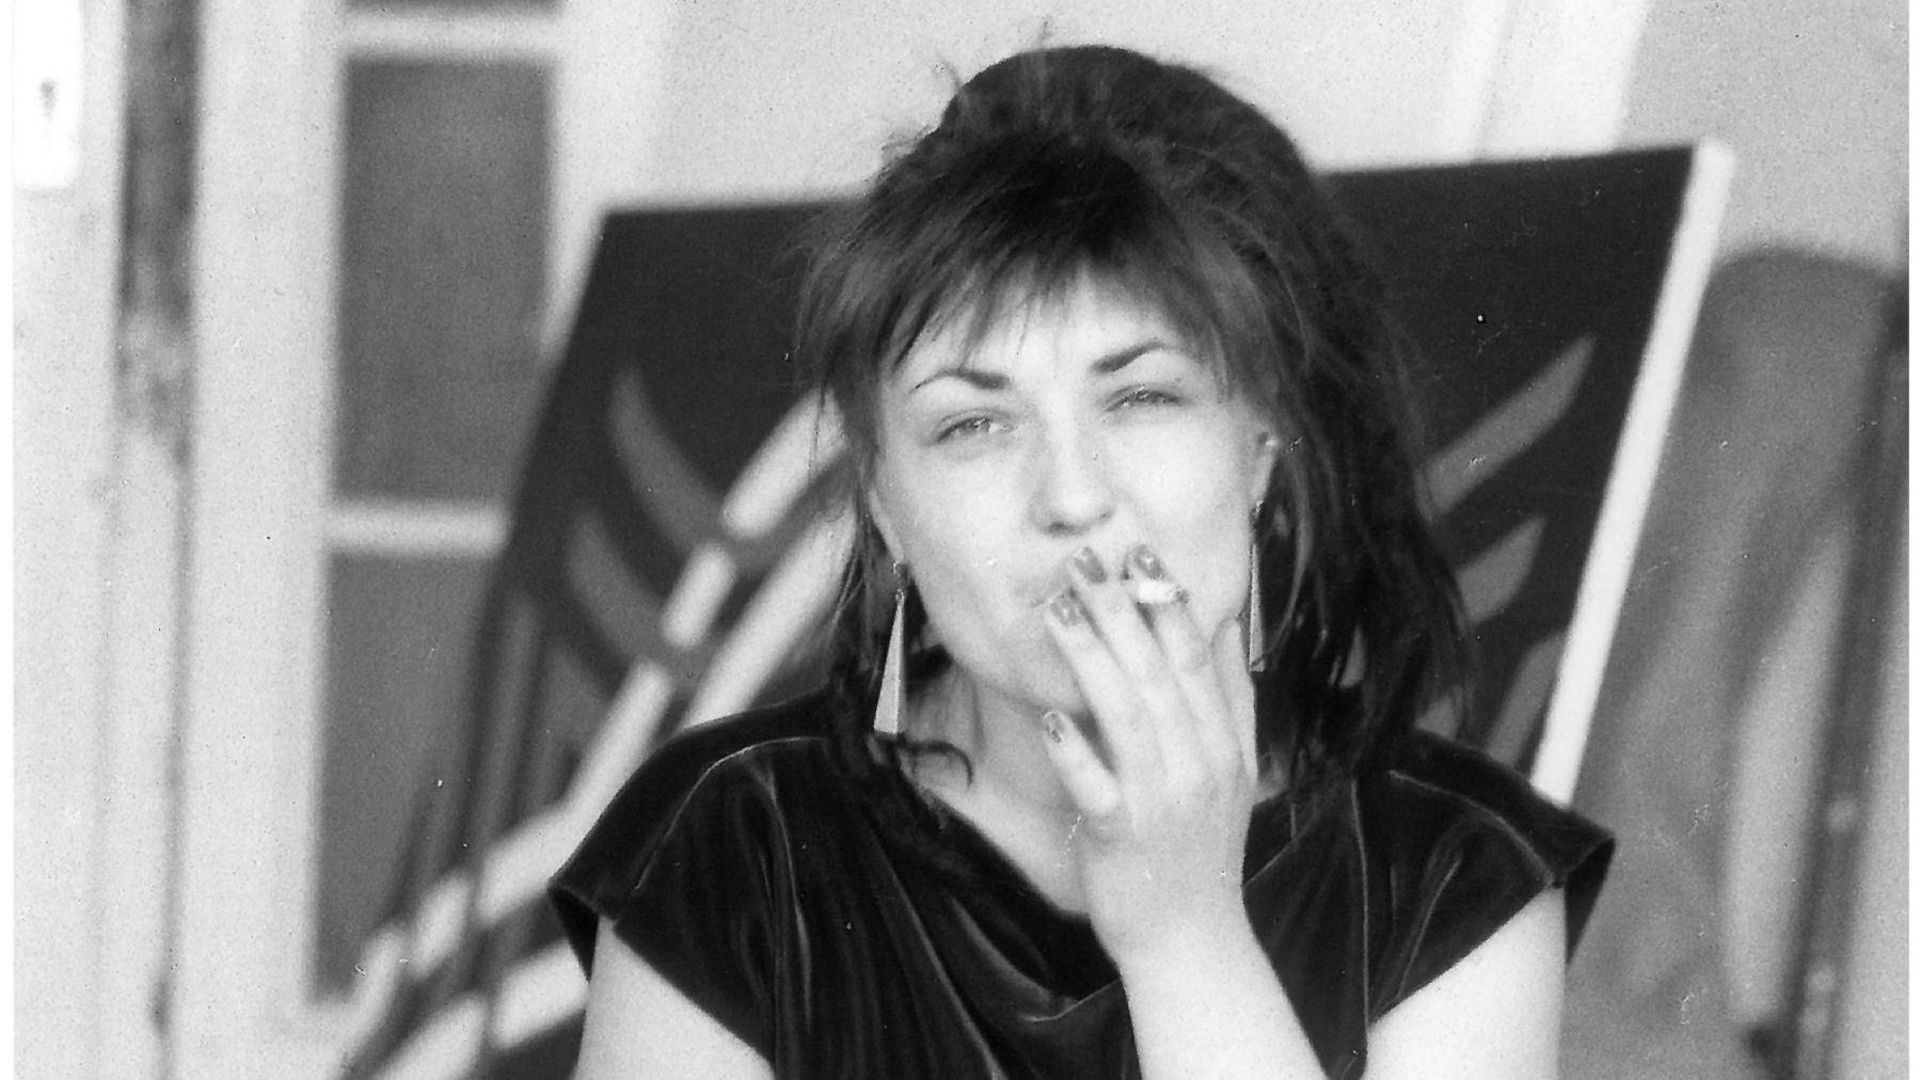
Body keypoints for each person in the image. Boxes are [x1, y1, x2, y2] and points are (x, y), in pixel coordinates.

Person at [550, 44, 1610, 1079]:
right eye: (973, 425)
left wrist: (1184, 933)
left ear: (1259, 452)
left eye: (1142, 397)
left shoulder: (1458, 871)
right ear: (883, 501)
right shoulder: (730, 838)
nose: (1070, 497)